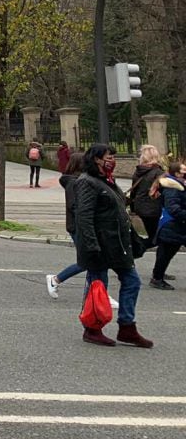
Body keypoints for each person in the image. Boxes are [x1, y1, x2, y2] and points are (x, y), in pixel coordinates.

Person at [73, 143, 151, 348]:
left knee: (132, 281)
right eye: (109, 156)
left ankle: (127, 327)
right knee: (98, 286)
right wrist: (91, 245)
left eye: (114, 156)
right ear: (97, 159)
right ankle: (92, 328)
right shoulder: (86, 182)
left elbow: (115, 209)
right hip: (99, 244)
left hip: (117, 243)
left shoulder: (107, 181)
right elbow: (84, 216)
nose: (112, 160)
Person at [45, 152, 119, 304]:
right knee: (92, 261)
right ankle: (97, 295)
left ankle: (94, 295)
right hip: (79, 227)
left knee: (95, 262)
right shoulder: (75, 183)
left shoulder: (79, 181)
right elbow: (75, 207)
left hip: (83, 226)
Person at [149, 161, 186, 290]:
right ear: (176, 174)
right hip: (172, 225)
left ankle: (157, 277)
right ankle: (157, 278)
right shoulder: (172, 187)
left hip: (177, 225)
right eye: (183, 172)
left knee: (165, 254)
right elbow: (173, 208)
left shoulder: (178, 185)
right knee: (165, 254)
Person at [127, 144, 166, 249]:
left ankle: (140, 245)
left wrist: (133, 206)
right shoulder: (159, 173)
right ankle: (139, 247)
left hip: (141, 206)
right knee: (156, 237)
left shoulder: (138, 171)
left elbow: (134, 191)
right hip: (154, 208)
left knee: (152, 233)